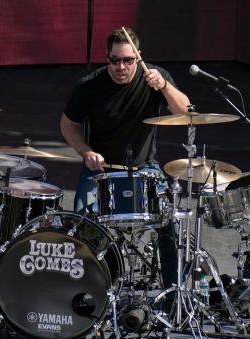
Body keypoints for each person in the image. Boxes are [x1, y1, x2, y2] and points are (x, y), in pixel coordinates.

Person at [59, 27, 191, 305]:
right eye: (115, 60)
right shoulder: (89, 86)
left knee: (167, 225)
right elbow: (67, 125)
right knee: (82, 227)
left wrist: (164, 87)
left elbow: (186, 112)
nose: (121, 67)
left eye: (128, 60)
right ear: (107, 58)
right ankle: (86, 296)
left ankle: (173, 296)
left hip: (145, 168)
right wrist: (86, 151)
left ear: (139, 57)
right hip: (100, 170)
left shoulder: (155, 77)